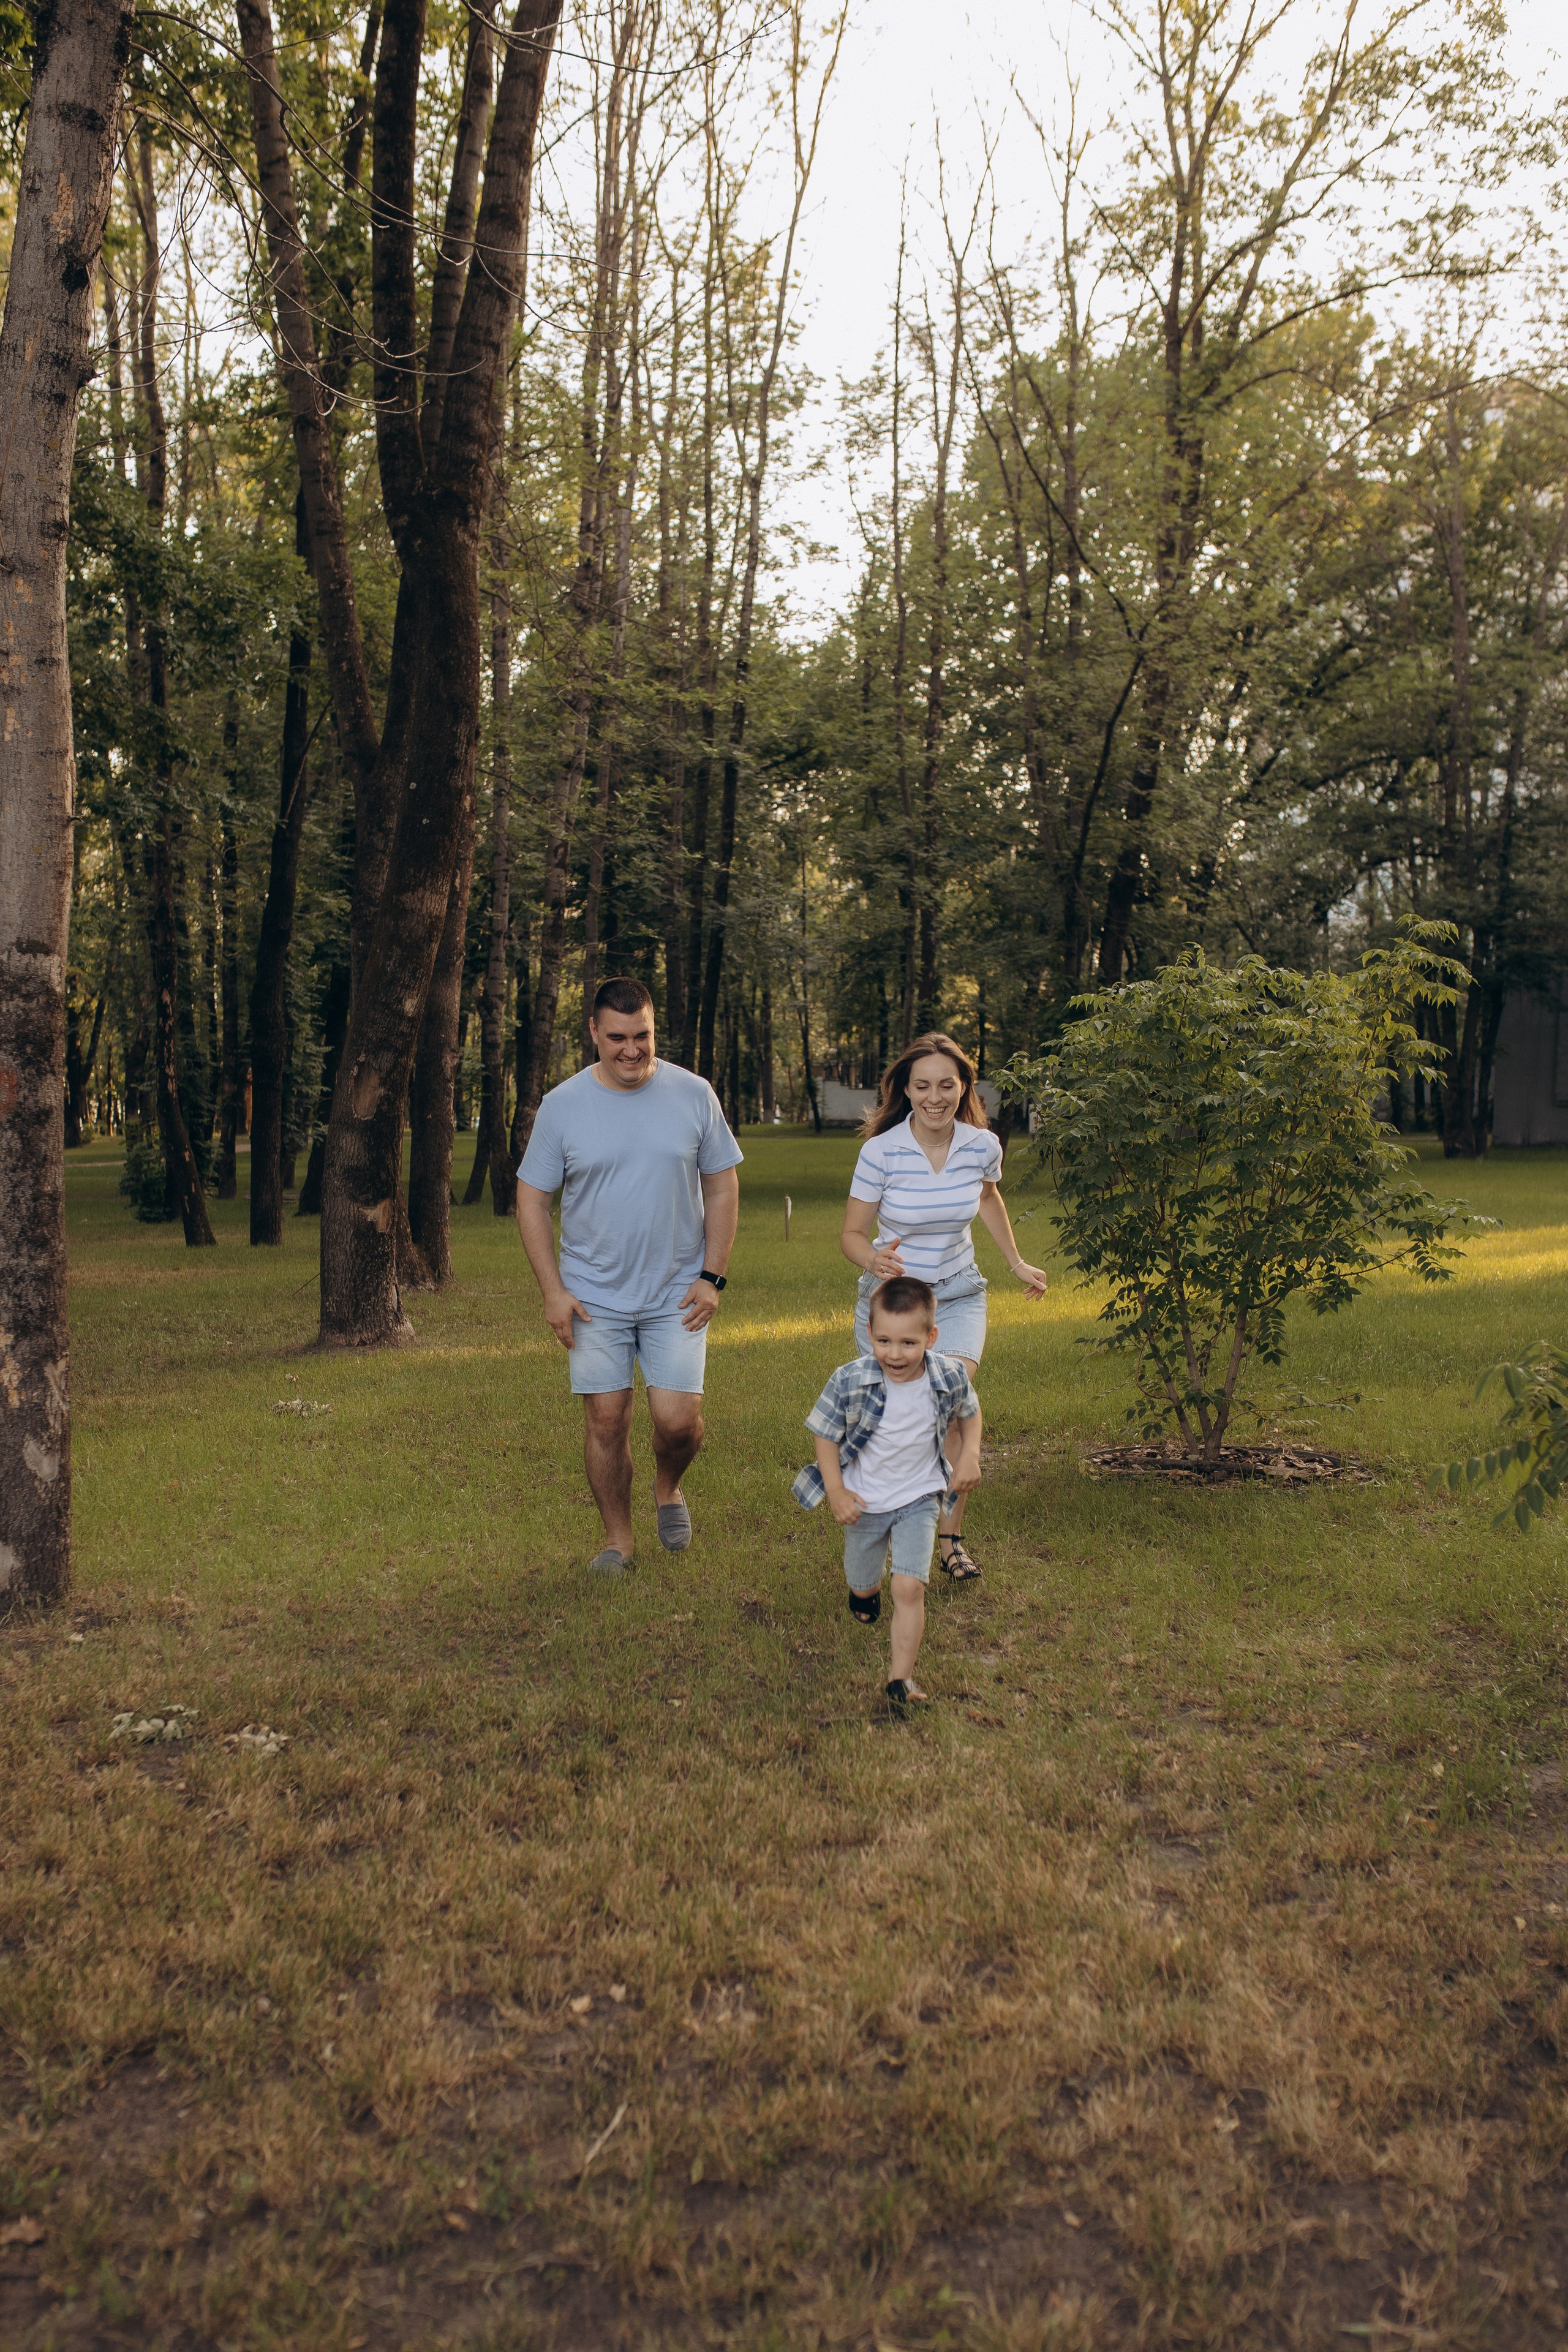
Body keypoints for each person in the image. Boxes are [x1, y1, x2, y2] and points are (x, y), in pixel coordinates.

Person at [514, 976, 742, 1577]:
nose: (631, 1050)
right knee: (606, 1420)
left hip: (677, 1293)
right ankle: (619, 1542)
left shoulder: (694, 1095)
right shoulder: (563, 1106)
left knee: (678, 1422)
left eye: (642, 1035)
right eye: (617, 1037)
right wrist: (553, 1292)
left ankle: (668, 1486)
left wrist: (712, 1277)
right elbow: (531, 1200)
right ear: (594, 1032)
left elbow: (722, 1187)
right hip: (593, 1297)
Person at [839, 1032, 1047, 1583]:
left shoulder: (983, 1146)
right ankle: (887, 1520)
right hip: (893, 1304)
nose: (935, 1097)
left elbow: (988, 1197)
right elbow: (852, 1234)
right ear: (906, 1090)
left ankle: (949, 1540)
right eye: (923, 1086)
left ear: (964, 1088)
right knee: (891, 1420)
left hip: (956, 1294)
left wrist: (1016, 1263)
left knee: (948, 1399)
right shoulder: (881, 1152)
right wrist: (873, 1259)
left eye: (947, 1085)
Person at [793, 1274, 982, 1712]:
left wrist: (970, 1455)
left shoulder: (948, 1375)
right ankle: (864, 1591)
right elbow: (825, 1434)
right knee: (864, 1583)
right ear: (870, 1333)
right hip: (865, 1502)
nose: (895, 1354)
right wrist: (836, 1491)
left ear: (931, 1338)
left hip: (920, 1498)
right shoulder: (850, 1380)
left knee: (909, 1588)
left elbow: (970, 1414)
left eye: (908, 1343)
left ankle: (901, 1680)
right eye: (884, 1341)